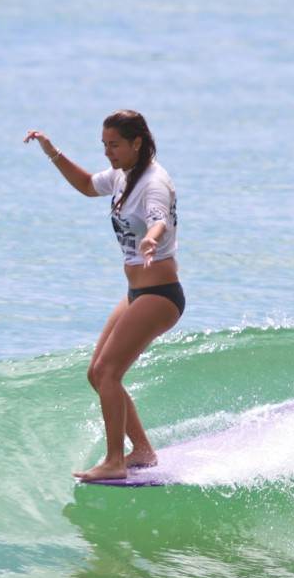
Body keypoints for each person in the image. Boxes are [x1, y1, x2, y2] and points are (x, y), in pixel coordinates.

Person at [24, 110, 184, 481]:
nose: (108, 152)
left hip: (160, 294)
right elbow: (86, 185)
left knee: (108, 372)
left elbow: (159, 219)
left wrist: (151, 239)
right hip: (137, 291)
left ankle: (114, 461)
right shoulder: (123, 175)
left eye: (114, 145)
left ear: (136, 143)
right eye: (104, 145)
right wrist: (52, 152)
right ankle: (141, 450)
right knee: (97, 374)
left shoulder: (154, 182)